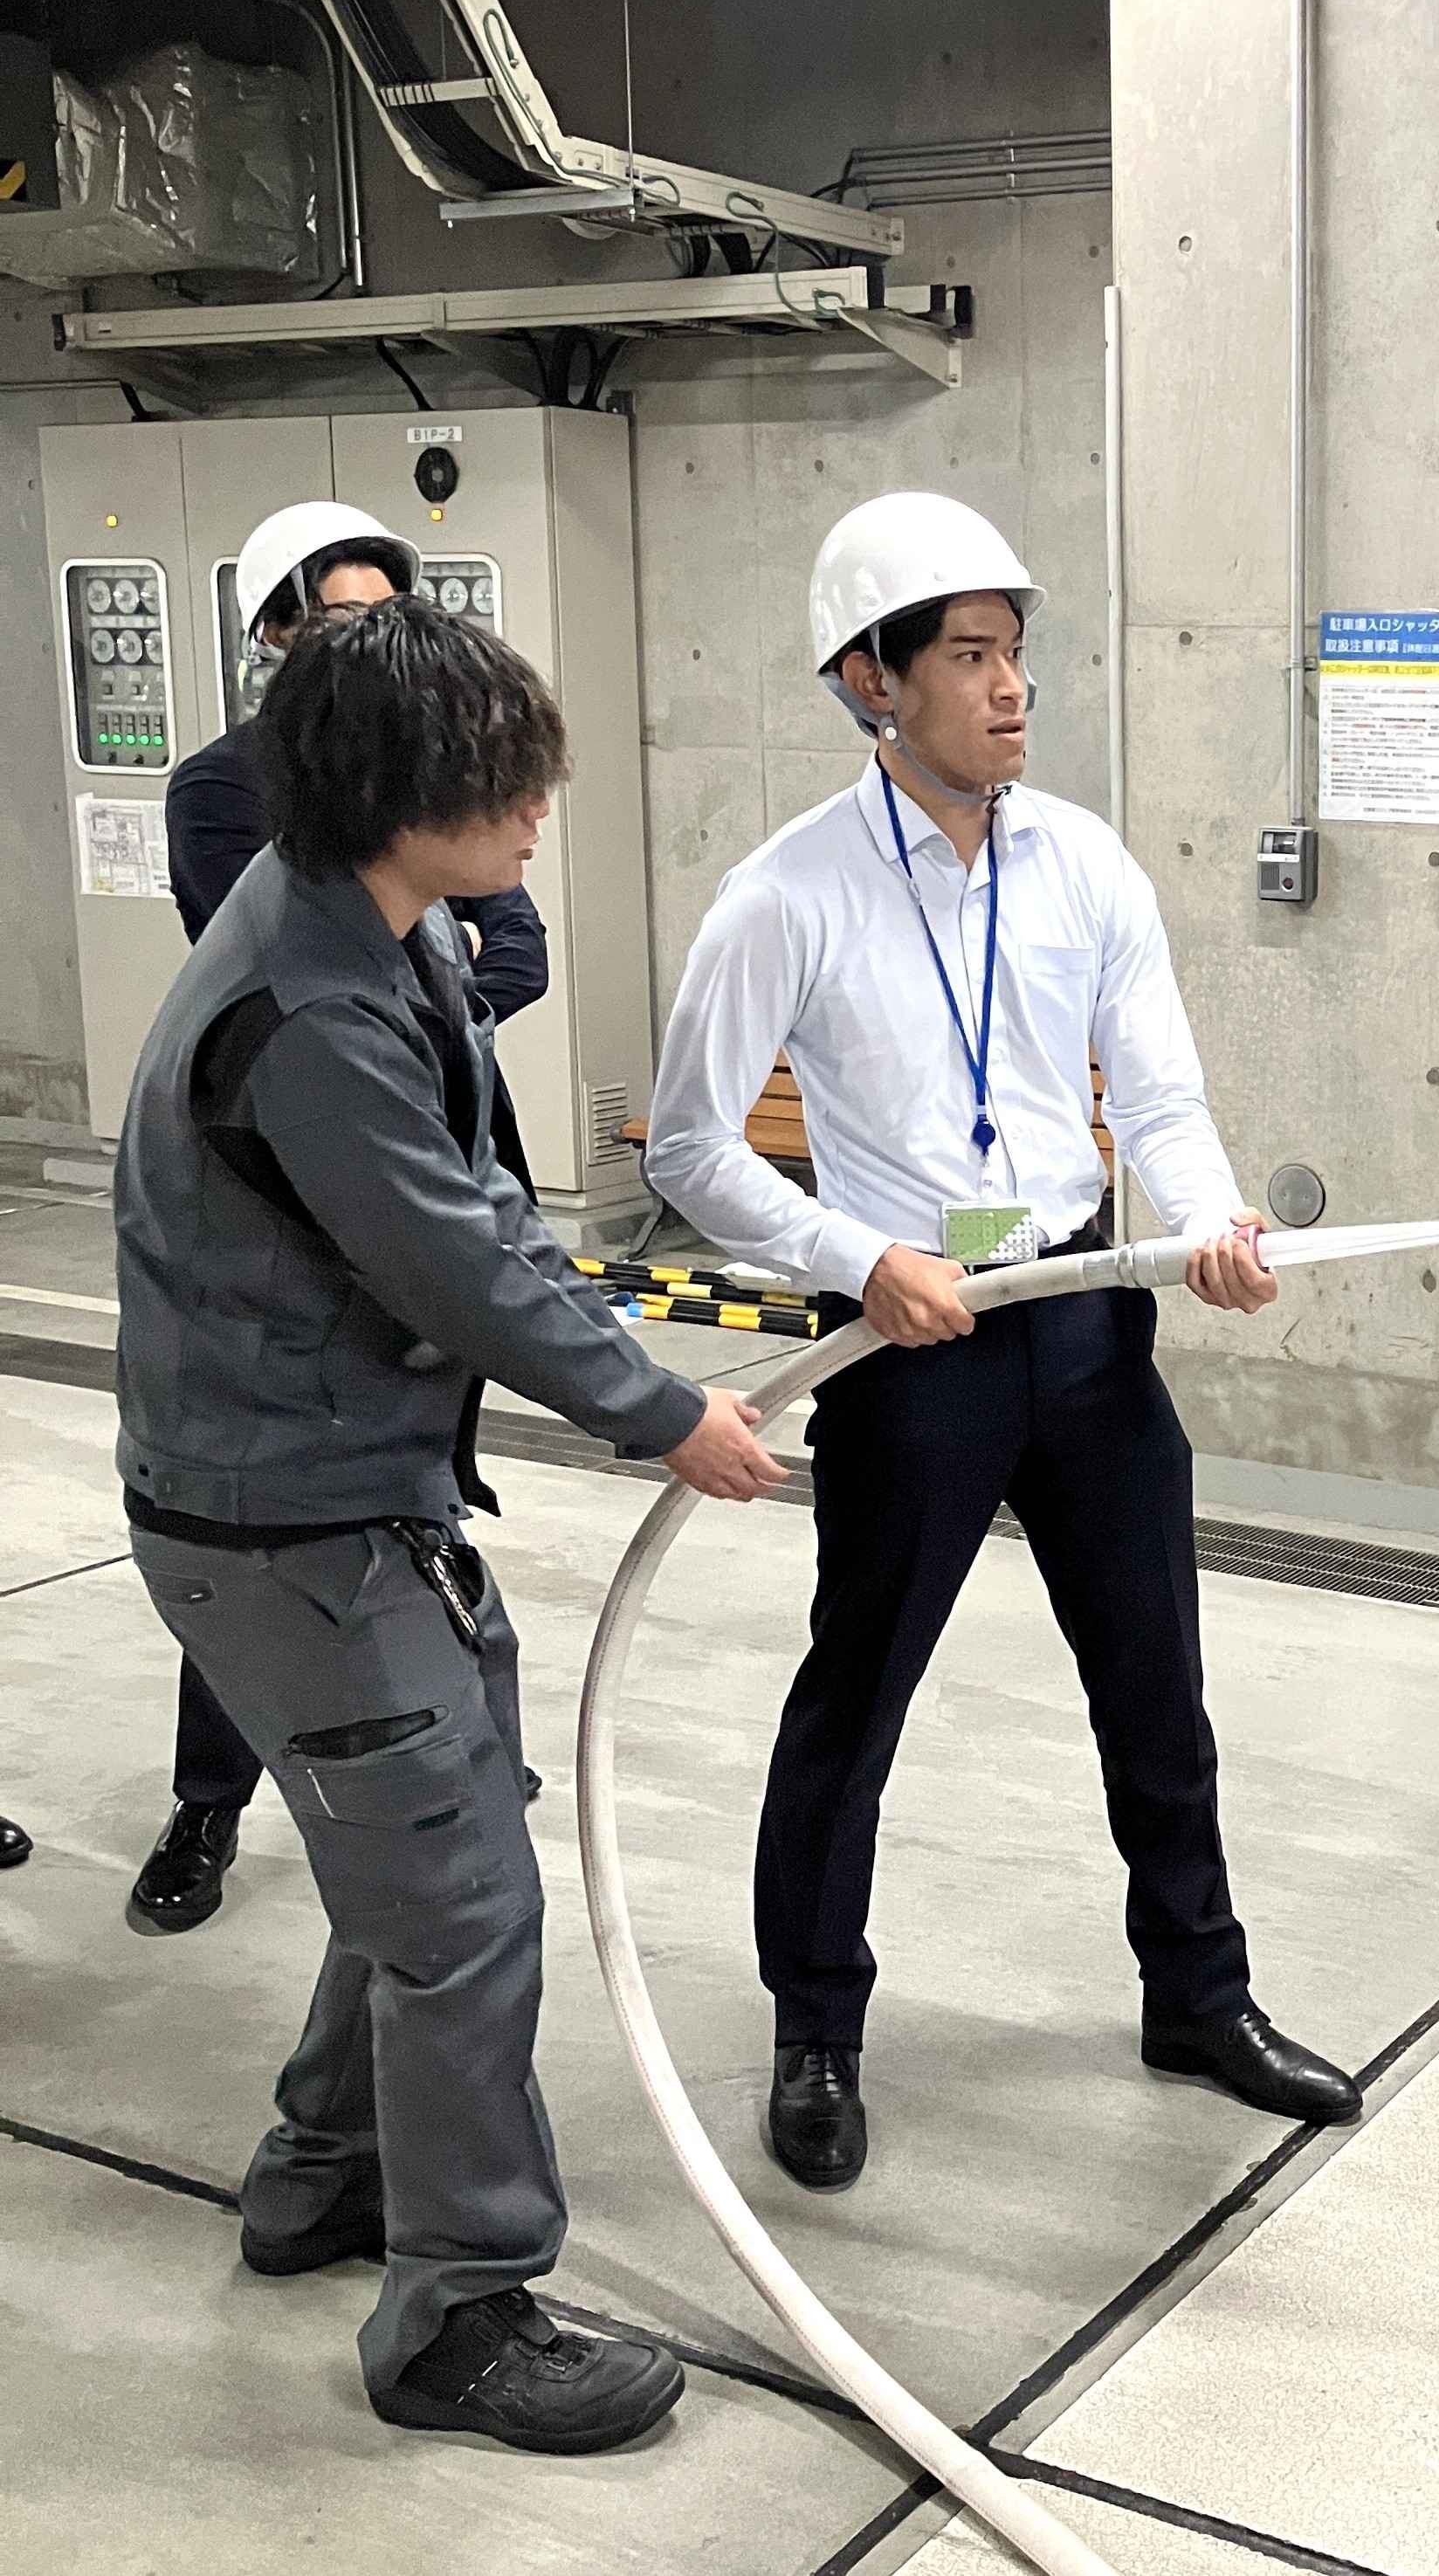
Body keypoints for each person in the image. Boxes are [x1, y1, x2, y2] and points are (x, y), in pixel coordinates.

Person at [115, 596, 786, 2449]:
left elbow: (480, 1211)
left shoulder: (380, 928)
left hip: (342, 1498)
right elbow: (453, 1265)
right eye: (507, 783)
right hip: (284, 1527)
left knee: (422, 1858)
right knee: (466, 1907)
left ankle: (324, 2176)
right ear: (395, 792)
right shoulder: (310, 1006)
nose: (539, 809)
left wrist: (635, 1364)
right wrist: (666, 1414)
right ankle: (458, 2320)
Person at [649, 492, 1362, 2194]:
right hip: (915, 1344)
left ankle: (1199, 1997)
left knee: (1156, 1685)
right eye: (968, 654)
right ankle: (816, 2028)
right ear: (869, 679)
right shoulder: (786, 895)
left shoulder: (1085, 864)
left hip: (1087, 1316)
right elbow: (687, 1145)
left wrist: (1206, 1220)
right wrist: (856, 1259)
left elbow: (1160, 1096)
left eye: (1015, 651)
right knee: (855, 1699)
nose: (1009, 686)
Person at [134, 501, 553, 1936]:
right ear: (271, 640)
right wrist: (664, 1410)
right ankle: (209, 1803)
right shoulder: (237, 815)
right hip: (294, 1232)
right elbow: (301, 980)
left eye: (387, 619)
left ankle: (442, 1755)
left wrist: (430, 986)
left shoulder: (425, 825)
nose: (370, 649)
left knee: (401, 1520)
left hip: (409, 1195)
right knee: (276, 1548)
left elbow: (513, 953)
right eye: (334, 625)